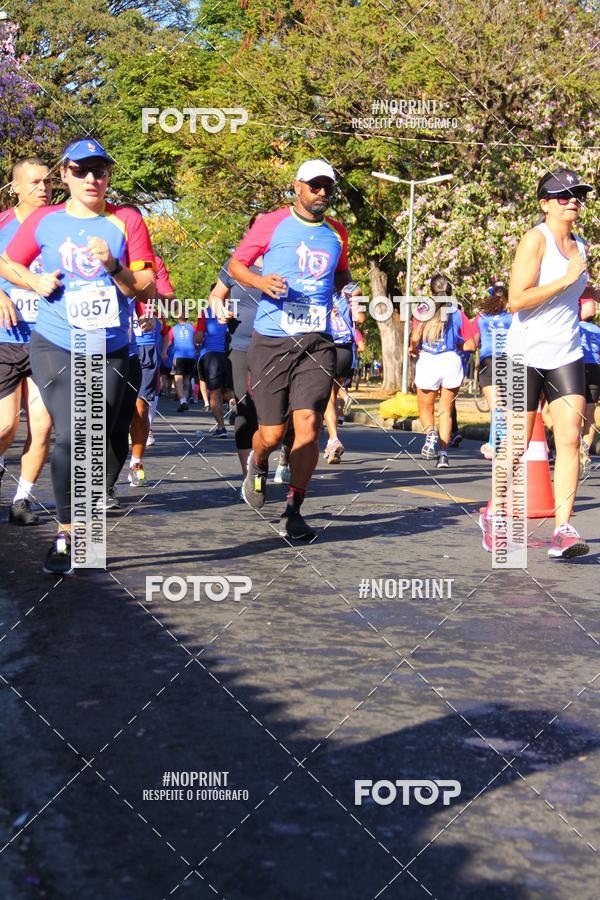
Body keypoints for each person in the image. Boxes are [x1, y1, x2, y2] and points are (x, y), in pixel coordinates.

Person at [2, 137, 156, 574]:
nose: (92, 178)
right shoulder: (46, 221)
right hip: (55, 343)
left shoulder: (127, 221)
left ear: (108, 176)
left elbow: (144, 287)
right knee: (72, 434)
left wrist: (113, 267)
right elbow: (7, 261)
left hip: (110, 348)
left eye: (100, 171)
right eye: (82, 170)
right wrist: (33, 283)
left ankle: (88, 514)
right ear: (66, 174)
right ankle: (68, 535)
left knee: (107, 439)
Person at [228, 158, 357, 539]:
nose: (321, 193)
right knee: (271, 432)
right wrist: (259, 281)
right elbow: (236, 265)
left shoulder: (337, 233)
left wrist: (348, 290)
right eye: (314, 185)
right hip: (272, 341)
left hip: (317, 342)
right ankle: (259, 459)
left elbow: (341, 273)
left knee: (310, 423)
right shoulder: (271, 223)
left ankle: (294, 508)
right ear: (297, 186)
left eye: (327, 187)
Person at [481, 167, 594, 559]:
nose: (573, 202)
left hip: (566, 352)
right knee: (514, 443)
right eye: (564, 196)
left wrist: (588, 287)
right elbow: (517, 299)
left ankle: (563, 528)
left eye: (578, 195)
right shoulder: (535, 240)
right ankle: (496, 514)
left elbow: (581, 292)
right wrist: (566, 279)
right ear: (545, 204)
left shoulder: (581, 246)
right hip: (523, 354)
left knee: (569, 439)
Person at [0, 157, 53, 525]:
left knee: (43, 425)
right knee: (5, 427)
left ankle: (22, 499)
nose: (44, 188)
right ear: (15, 186)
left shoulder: (60, 226)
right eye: (35, 182)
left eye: (48, 182)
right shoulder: (2, 225)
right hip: (5, 339)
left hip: (47, 338)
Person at [208, 223, 263, 471]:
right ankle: (249, 475)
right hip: (240, 345)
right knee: (245, 407)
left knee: (280, 411)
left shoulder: (286, 264)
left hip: (278, 346)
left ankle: (283, 454)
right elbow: (215, 296)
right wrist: (220, 310)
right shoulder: (235, 264)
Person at [409, 274, 475, 468]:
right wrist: (455, 346)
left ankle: (430, 434)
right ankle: (443, 455)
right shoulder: (458, 313)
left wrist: (413, 348)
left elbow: (415, 339)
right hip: (451, 362)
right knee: (446, 412)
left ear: (432, 291)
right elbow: (470, 345)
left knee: (425, 409)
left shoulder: (423, 310)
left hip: (428, 360)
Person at [129, 254, 174, 483]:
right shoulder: (95, 252)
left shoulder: (154, 261)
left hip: (144, 343)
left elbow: (170, 299)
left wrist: (150, 297)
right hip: (105, 341)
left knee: (140, 406)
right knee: (106, 408)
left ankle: (136, 462)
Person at [471, 284, 512, 459]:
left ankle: (501, 441)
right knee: (505, 405)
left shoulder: (481, 317)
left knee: (495, 406)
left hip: (489, 361)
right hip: (508, 361)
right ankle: (494, 443)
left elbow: (473, 340)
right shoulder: (513, 318)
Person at [323, 287, 359, 463]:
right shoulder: (349, 294)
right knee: (334, 396)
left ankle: (333, 439)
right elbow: (360, 318)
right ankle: (330, 443)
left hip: (328, 348)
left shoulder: (320, 291)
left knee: (328, 399)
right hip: (346, 352)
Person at [195, 295, 233, 438]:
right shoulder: (233, 310)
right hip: (230, 354)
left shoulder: (206, 312)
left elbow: (198, 337)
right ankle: (233, 402)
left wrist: (197, 340)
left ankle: (221, 428)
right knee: (229, 389)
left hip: (211, 355)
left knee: (215, 393)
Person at [579, 307, 600, 474]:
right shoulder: (598, 330)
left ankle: (575, 450)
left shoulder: (574, 326)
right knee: (590, 415)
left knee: (571, 413)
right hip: (595, 369)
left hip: (576, 368)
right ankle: (585, 452)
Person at [166, 314, 196, 412]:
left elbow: (169, 342)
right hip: (191, 355)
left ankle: (183, 401)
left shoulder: (174, 328)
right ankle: (185, 400)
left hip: (179, 355)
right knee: (186, 379)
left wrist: (164, 351)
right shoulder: (192, 327)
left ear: (177, 318)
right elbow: (197, 340)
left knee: (177, 378)